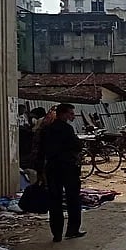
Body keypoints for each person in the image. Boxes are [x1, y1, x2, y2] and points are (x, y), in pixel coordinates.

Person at [38, 103, 84, 242]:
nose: (72, 116)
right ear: (63, 114)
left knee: (55, 201)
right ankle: (72, 230)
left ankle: (56, 234)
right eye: (70, 113)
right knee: (73, 200)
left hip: (52, 168)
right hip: (68, 167)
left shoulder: (46, 129)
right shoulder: (66, 129)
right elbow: (76, 146)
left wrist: (40, 170)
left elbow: (40, 151)